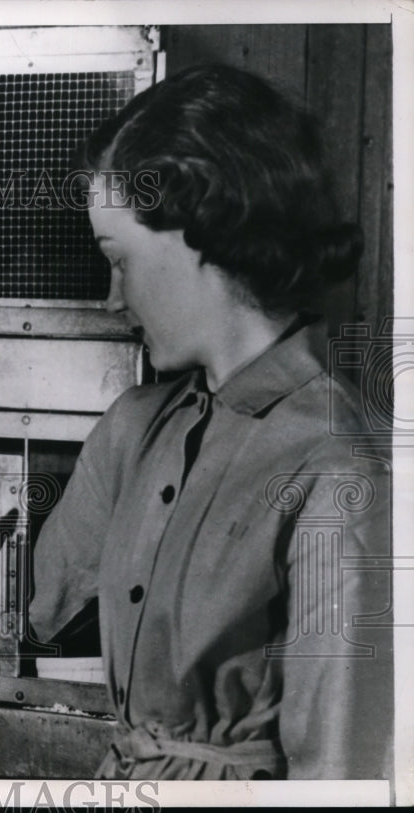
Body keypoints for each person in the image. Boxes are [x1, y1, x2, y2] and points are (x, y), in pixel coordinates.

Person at [29, 65, 393, 780]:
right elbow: (45, 614)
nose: (113, 298)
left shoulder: (339, 467)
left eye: (117, 259)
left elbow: (342, 770)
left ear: (198, 232)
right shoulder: (143, 427)